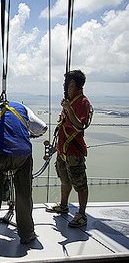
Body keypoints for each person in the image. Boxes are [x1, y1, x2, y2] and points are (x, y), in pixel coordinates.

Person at [0, 95, 47, 244]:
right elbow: (42, 128)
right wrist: (27, 134)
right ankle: (27, 233)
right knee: (23, 192)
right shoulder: (21, 107)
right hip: (22, 155)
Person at [46, 70, 92, 228]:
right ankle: (64, 205)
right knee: (65, 179)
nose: (64, 87)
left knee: (80, 184)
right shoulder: (71, 101)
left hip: (73, 151)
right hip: (63, 150)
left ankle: (81, 215)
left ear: (72, 84)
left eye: (66, 84)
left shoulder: (83, 102)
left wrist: (69, 109)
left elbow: (80, 125)